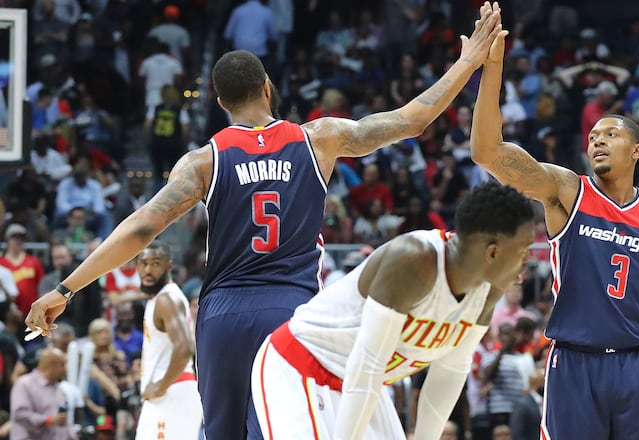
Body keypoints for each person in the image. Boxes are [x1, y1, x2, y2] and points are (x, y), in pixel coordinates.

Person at [26, 4, 504, 438]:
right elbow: (411, 120)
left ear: (219, 102)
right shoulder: (320, 137)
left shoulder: (203, 161)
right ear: (267, 88)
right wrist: (467, 63)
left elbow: (139, 228)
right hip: (292, 312)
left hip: (222, 314)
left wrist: (65, 288)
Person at [469, 17, 639, 439]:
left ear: (636, 150)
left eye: (610, 133)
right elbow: (487, 152)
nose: (596, 140)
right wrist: (492, 71)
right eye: (593, 135)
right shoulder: (567, 191)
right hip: (574, 363)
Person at [250, 182, 535, 439]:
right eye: (523, 252)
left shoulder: (488, 290)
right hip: (302, 366)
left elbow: (449, 371)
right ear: (493, 252)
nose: (527, 263)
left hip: (363, 385)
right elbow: (368, 366)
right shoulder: (415, 260)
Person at [135, 241, 202, 440]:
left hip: (172, 392)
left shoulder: (167, 300)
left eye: (155, 264)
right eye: (143, 263)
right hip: (166, 394)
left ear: (169, 266)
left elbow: (185, 348)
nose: (148, 270)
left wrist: (160, 386)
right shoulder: (158, 298)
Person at [10, 347, 69, 440]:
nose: (65, 369)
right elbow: (20, 414)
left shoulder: (60, 390)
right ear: (51, 365)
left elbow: (62, 422)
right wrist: (47, 420)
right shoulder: (24, 384)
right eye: (63, 365)